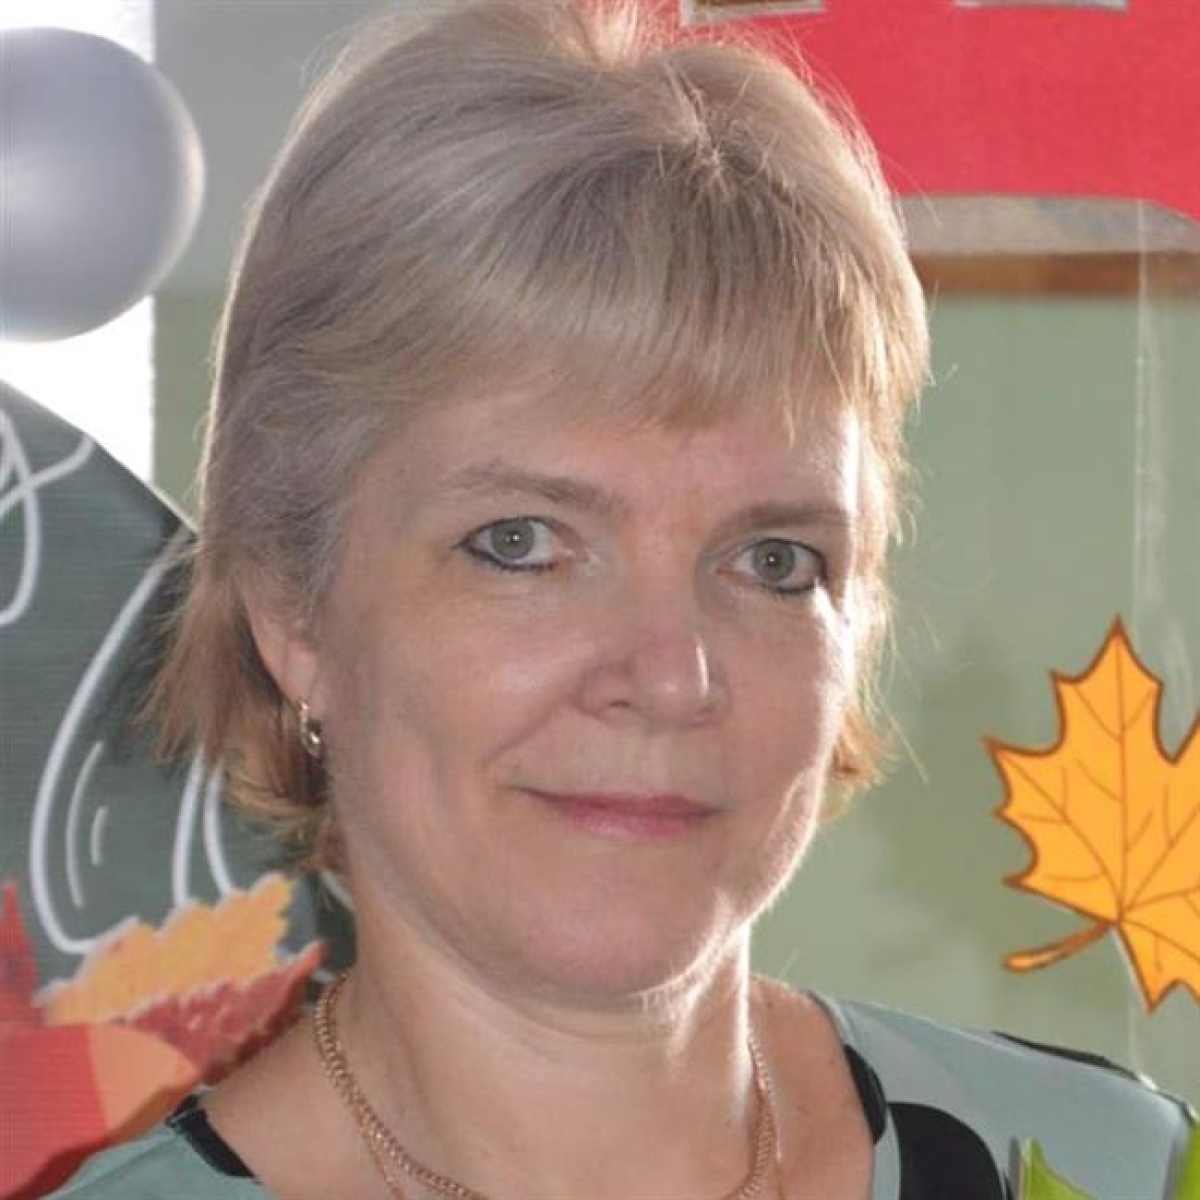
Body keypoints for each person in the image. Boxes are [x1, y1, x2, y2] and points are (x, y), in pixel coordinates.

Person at [53, 1, 1193, 1197]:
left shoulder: (1127, 1168)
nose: (668, 675)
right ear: (293, 606)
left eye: (773, 560)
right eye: (522, 544)